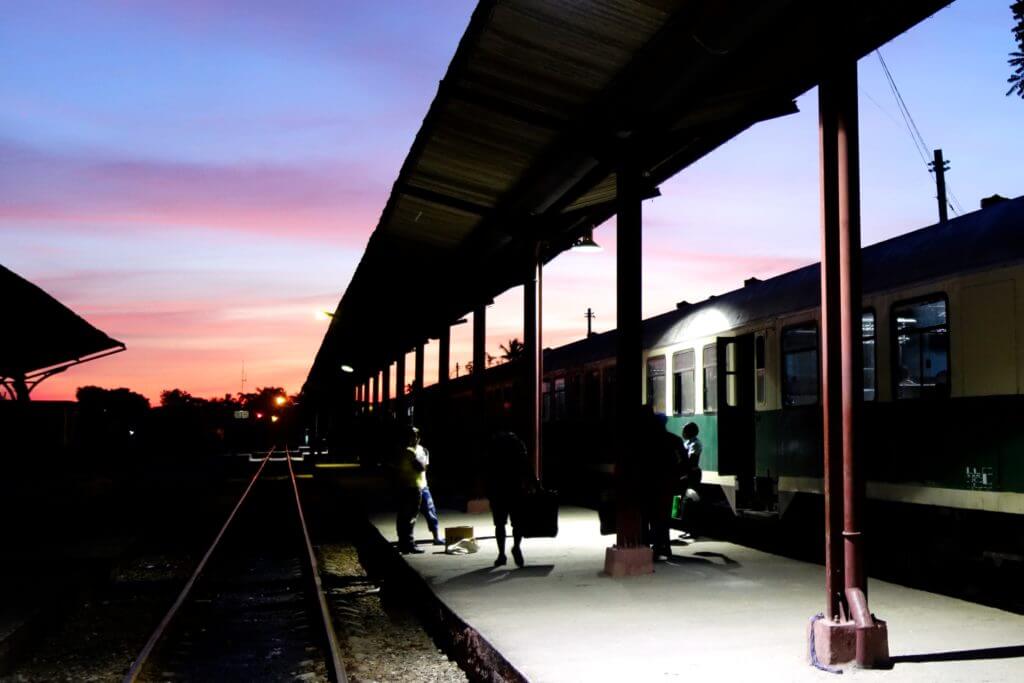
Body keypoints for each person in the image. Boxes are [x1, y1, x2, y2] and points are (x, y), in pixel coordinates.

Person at [484, 431, 535, 567]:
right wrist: (536, 485)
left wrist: (488, 491)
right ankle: (516, 547)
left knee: (500, 524)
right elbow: (528, 467)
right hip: (515, 490)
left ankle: (501, 554)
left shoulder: (493, 446)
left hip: (498, 490)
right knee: (517, 524)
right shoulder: (518, 444)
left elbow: (486, 470)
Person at [395, 426, 443, 554]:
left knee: (430, 512)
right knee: (409, 517)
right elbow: (420, 467)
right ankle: (407, 543)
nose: (414, 438)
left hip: (422, 486)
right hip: (409, 487)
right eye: (411, 435)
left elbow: (424, 468)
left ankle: (436, 537)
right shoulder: (406, 451)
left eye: (416, 435)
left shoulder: (423, 450)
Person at [678, 421, 703, 540]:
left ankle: (693, 530)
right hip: (688, 473)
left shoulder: (695, 444)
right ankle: (688, 529)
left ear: (690, 432)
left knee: (690, 502)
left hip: (692, 473)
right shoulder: (687, 443)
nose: (682, 432)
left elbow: (690, 460)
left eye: (684, 430)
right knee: (685, 502)